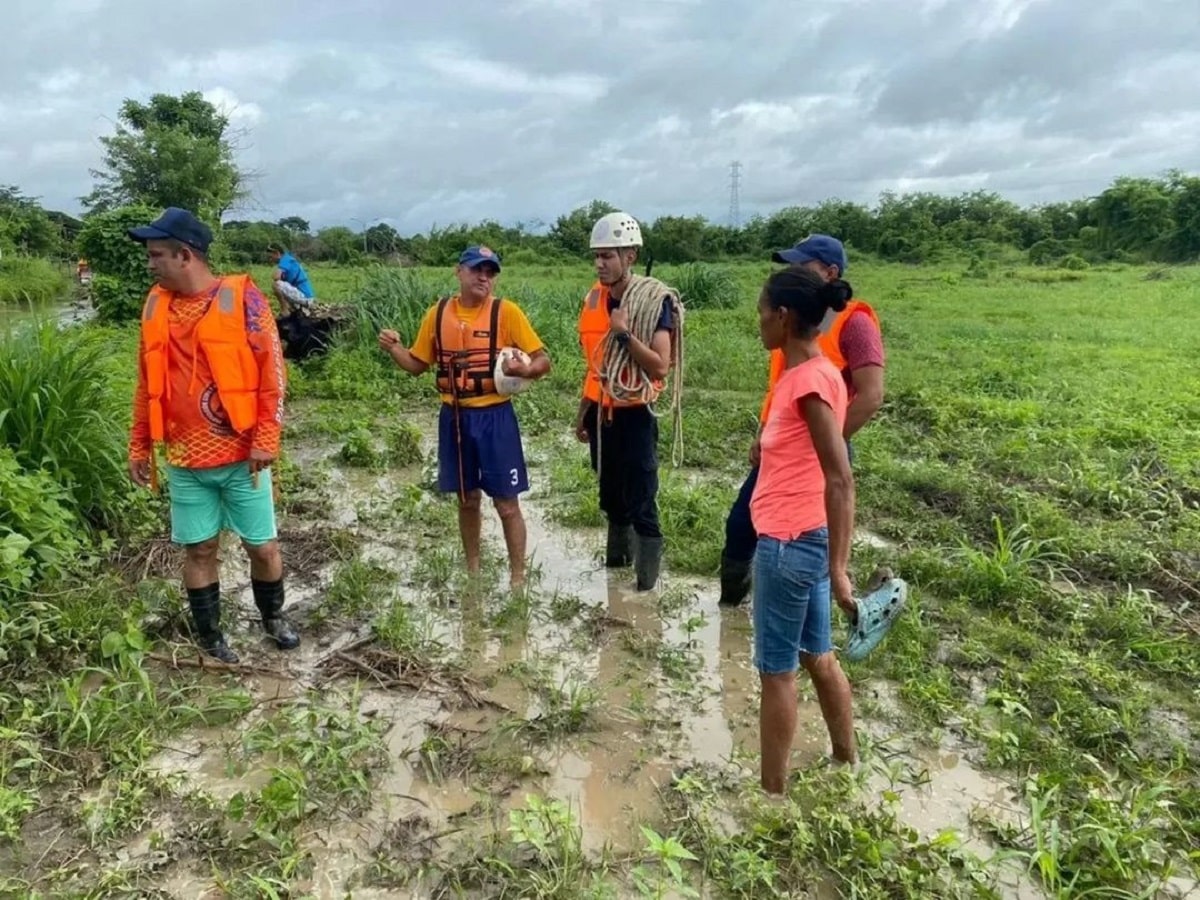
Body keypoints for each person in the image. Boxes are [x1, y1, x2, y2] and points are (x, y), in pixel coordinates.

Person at [127, 207, 299, 664]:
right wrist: (140, 442)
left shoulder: (245, 300)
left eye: (157, 254)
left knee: (262, 546)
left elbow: (272, 373)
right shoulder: (155, 304)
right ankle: (210, 633)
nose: (151, 263)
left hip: (244, 457)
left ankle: (273, 616)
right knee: (200, 548)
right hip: (185, 461)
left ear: (185, 255)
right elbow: (146, 381)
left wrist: (267, 435)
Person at [719, 234, 884, 607]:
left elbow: (871, 395)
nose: (790, 272)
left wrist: (818, 443)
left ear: (830, 272)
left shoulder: (853, 324)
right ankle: (733, 607)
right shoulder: (792, 324)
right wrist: (765, 433)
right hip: (783, 445)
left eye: (801, 265)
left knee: (804, 536)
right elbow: (781, 386)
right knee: (742, 525)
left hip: (819, 450)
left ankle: (807, 611)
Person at [378, 245, 550, 589]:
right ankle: (473, 570)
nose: (484, 277)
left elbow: (543, 360)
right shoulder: (437, 313)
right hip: (454, 417)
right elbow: (417, 365)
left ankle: (518, 577)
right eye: (477, 270)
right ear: (459, 272)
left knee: (507, 504)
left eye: (490, 272)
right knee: (467, 499)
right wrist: (395, 348)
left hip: (496, 417)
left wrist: (527, 369)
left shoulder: (507, 313)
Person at [751, 266, 860, 793]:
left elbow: (840, 478)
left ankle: (772, 794)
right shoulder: (813, 375)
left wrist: (839, 571)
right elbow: (804, 455)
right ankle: (846, 762)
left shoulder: (811, 381)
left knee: (777, 672)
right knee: (818, 654)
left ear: (783, 316)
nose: (758, 322)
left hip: (787, 544)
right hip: (804, 538)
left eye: (762, 311)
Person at [574, 211, 682, 592]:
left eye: (609, 256)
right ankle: (615, 573)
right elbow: (594, 365)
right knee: (611, 498)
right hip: (601, 415)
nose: (600, 264)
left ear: (630, 256)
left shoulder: (654, 302)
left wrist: (623, 335)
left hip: (635, 415)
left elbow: (660, 366)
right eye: (597, 256)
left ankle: (645, 590)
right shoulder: (593, 298)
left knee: (642, 503)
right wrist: (583, 411)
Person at [269, 243, 315, 315]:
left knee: (276, 285)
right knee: (280, 287)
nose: (270, 259)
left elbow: (276, 277)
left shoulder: (286, 259)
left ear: (277, 253)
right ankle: (290, 309)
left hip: (305, 297)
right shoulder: (288, 259)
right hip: (303, 297)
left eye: (271, 256)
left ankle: (285, 310)